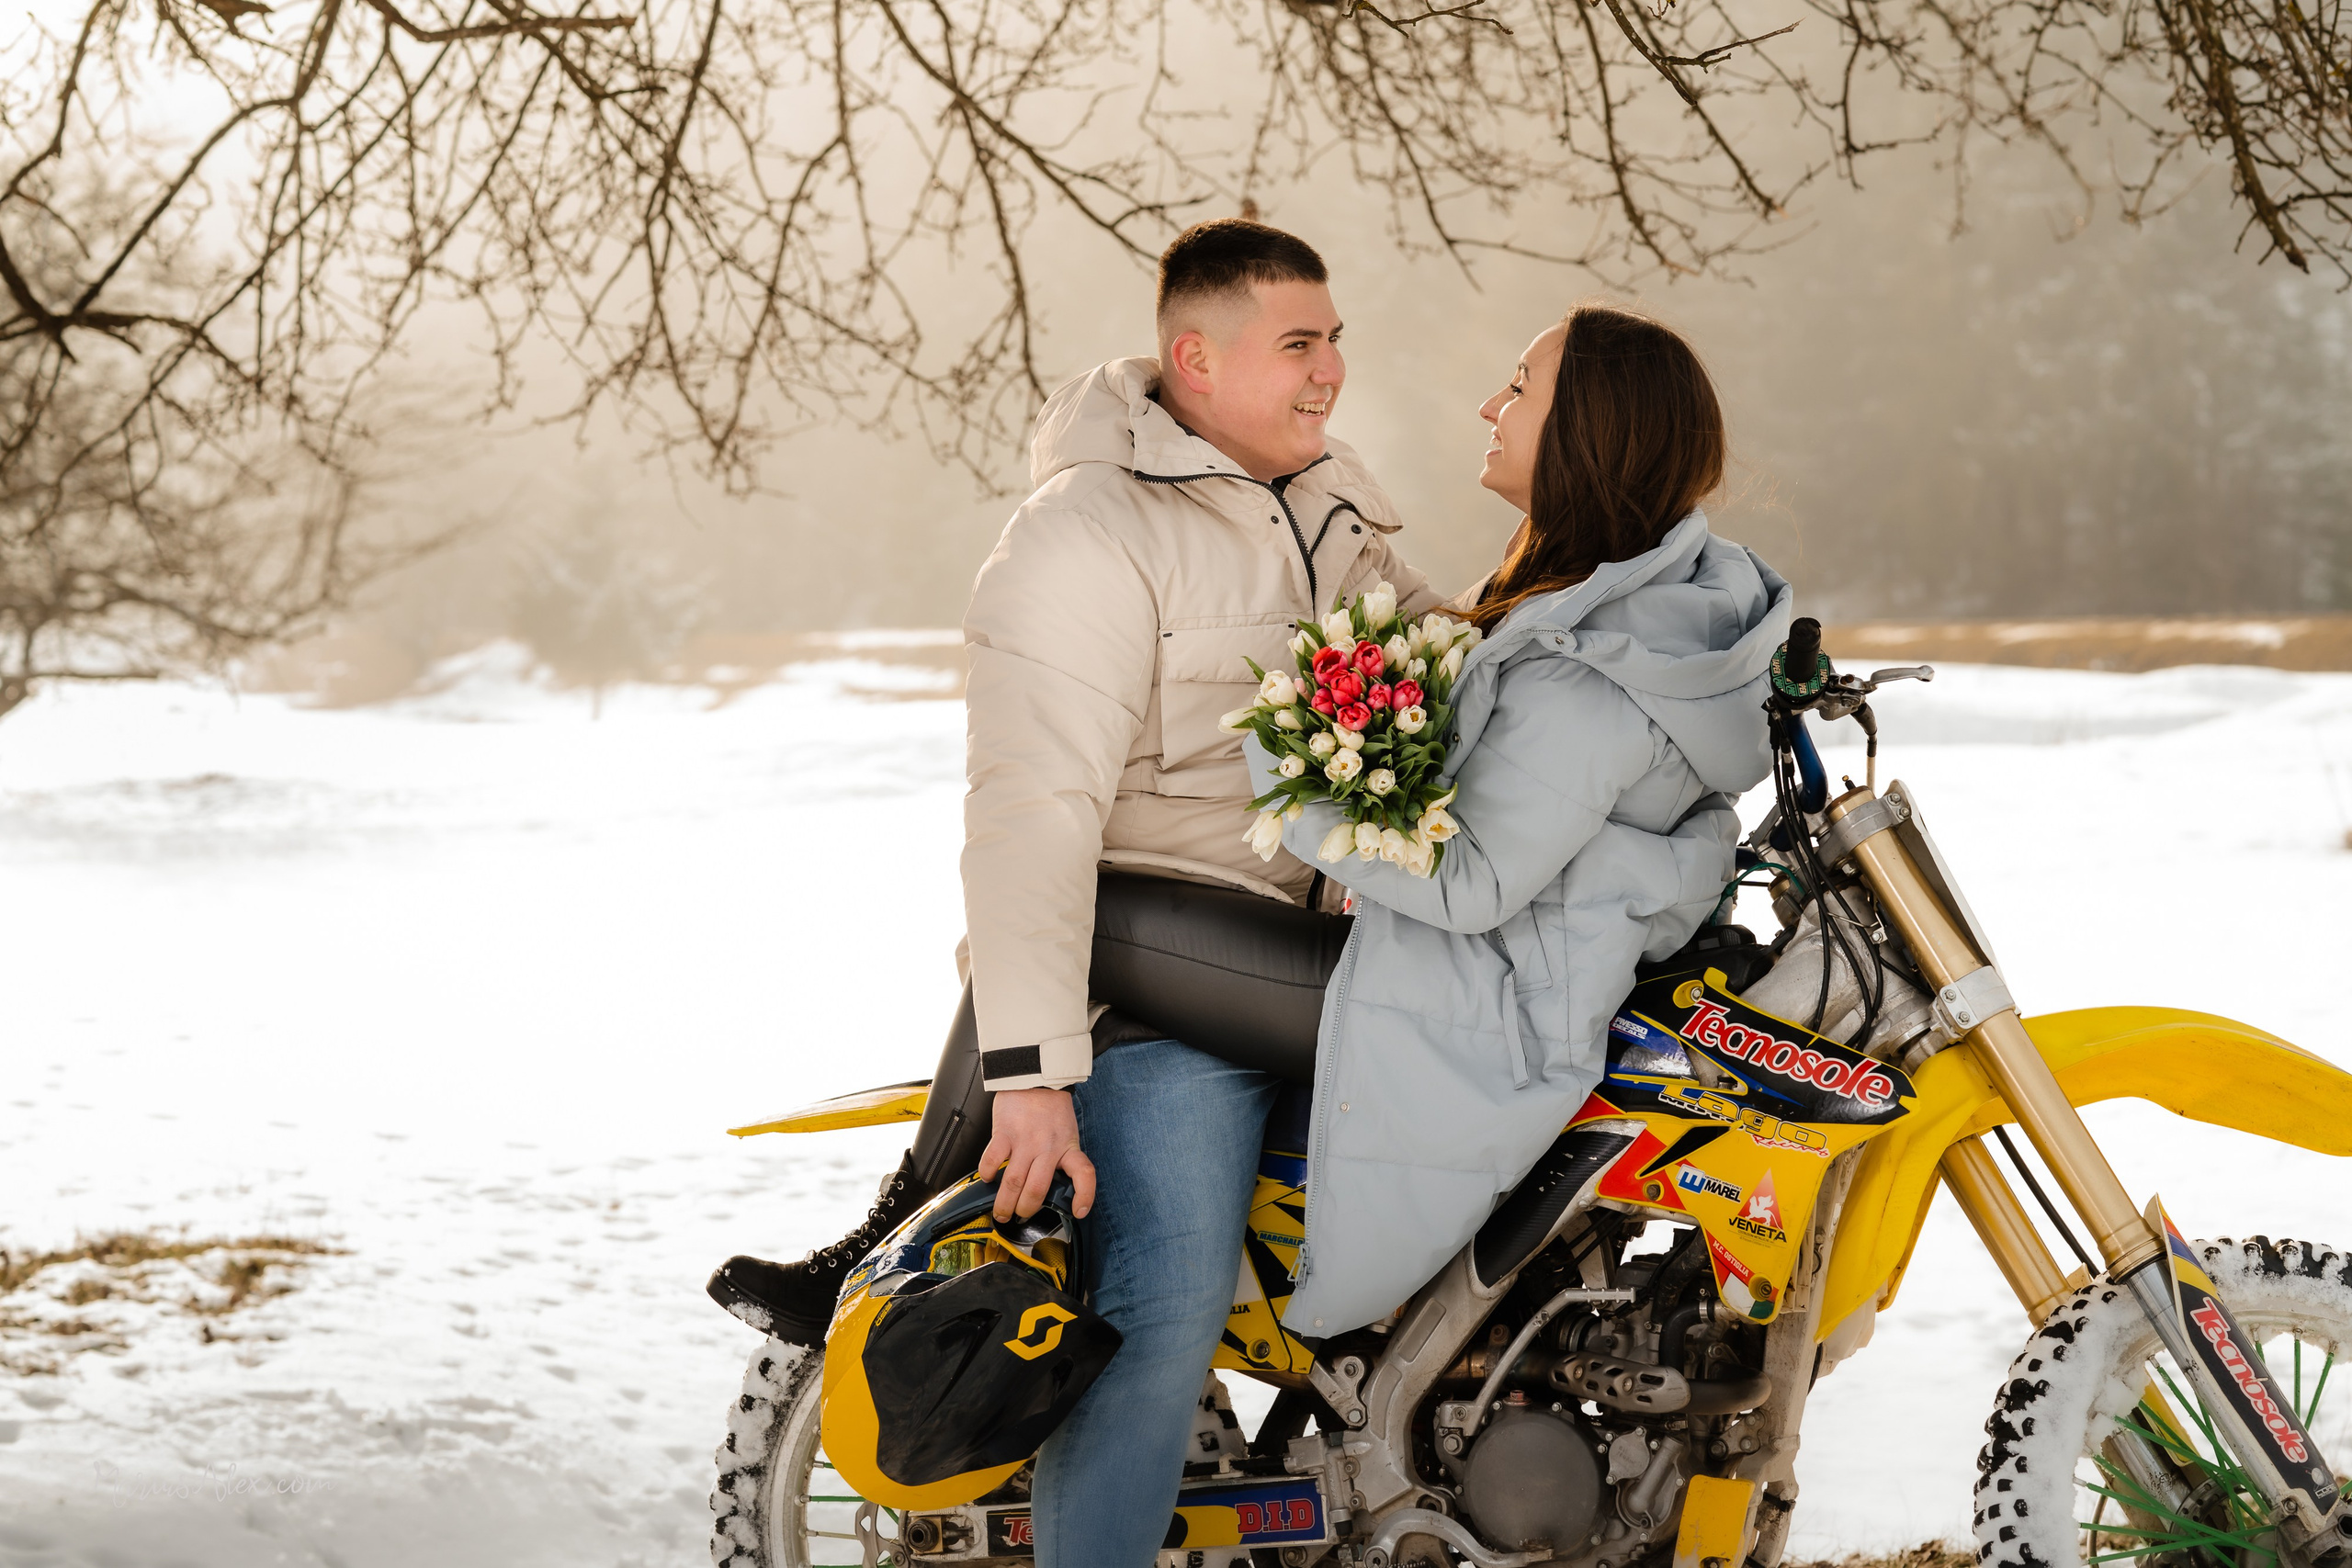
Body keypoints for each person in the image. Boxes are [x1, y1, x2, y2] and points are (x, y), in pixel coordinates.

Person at [707, 217, 1439, 1563]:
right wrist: (1034, 1071)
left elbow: (1438, 663)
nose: (1332, 369)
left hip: (1311, 959)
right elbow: (1033, 810)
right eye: (1300, 343)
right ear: (1196, 359)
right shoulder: (1086, 535)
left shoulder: (1334, 501)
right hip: (1163, 1014)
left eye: (1336, 338)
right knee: (1154, 1324)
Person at [1233, 301, 1795, 1334]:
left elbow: (1472, 881)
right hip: (1510, 970)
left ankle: (965, 1239)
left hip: (1482, 999)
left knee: (1111, 928)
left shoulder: (1597, 664)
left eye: (1521, 389)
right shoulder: (1622, 608)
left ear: (1591, 429)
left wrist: (1281, 769)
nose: (1490, 406)